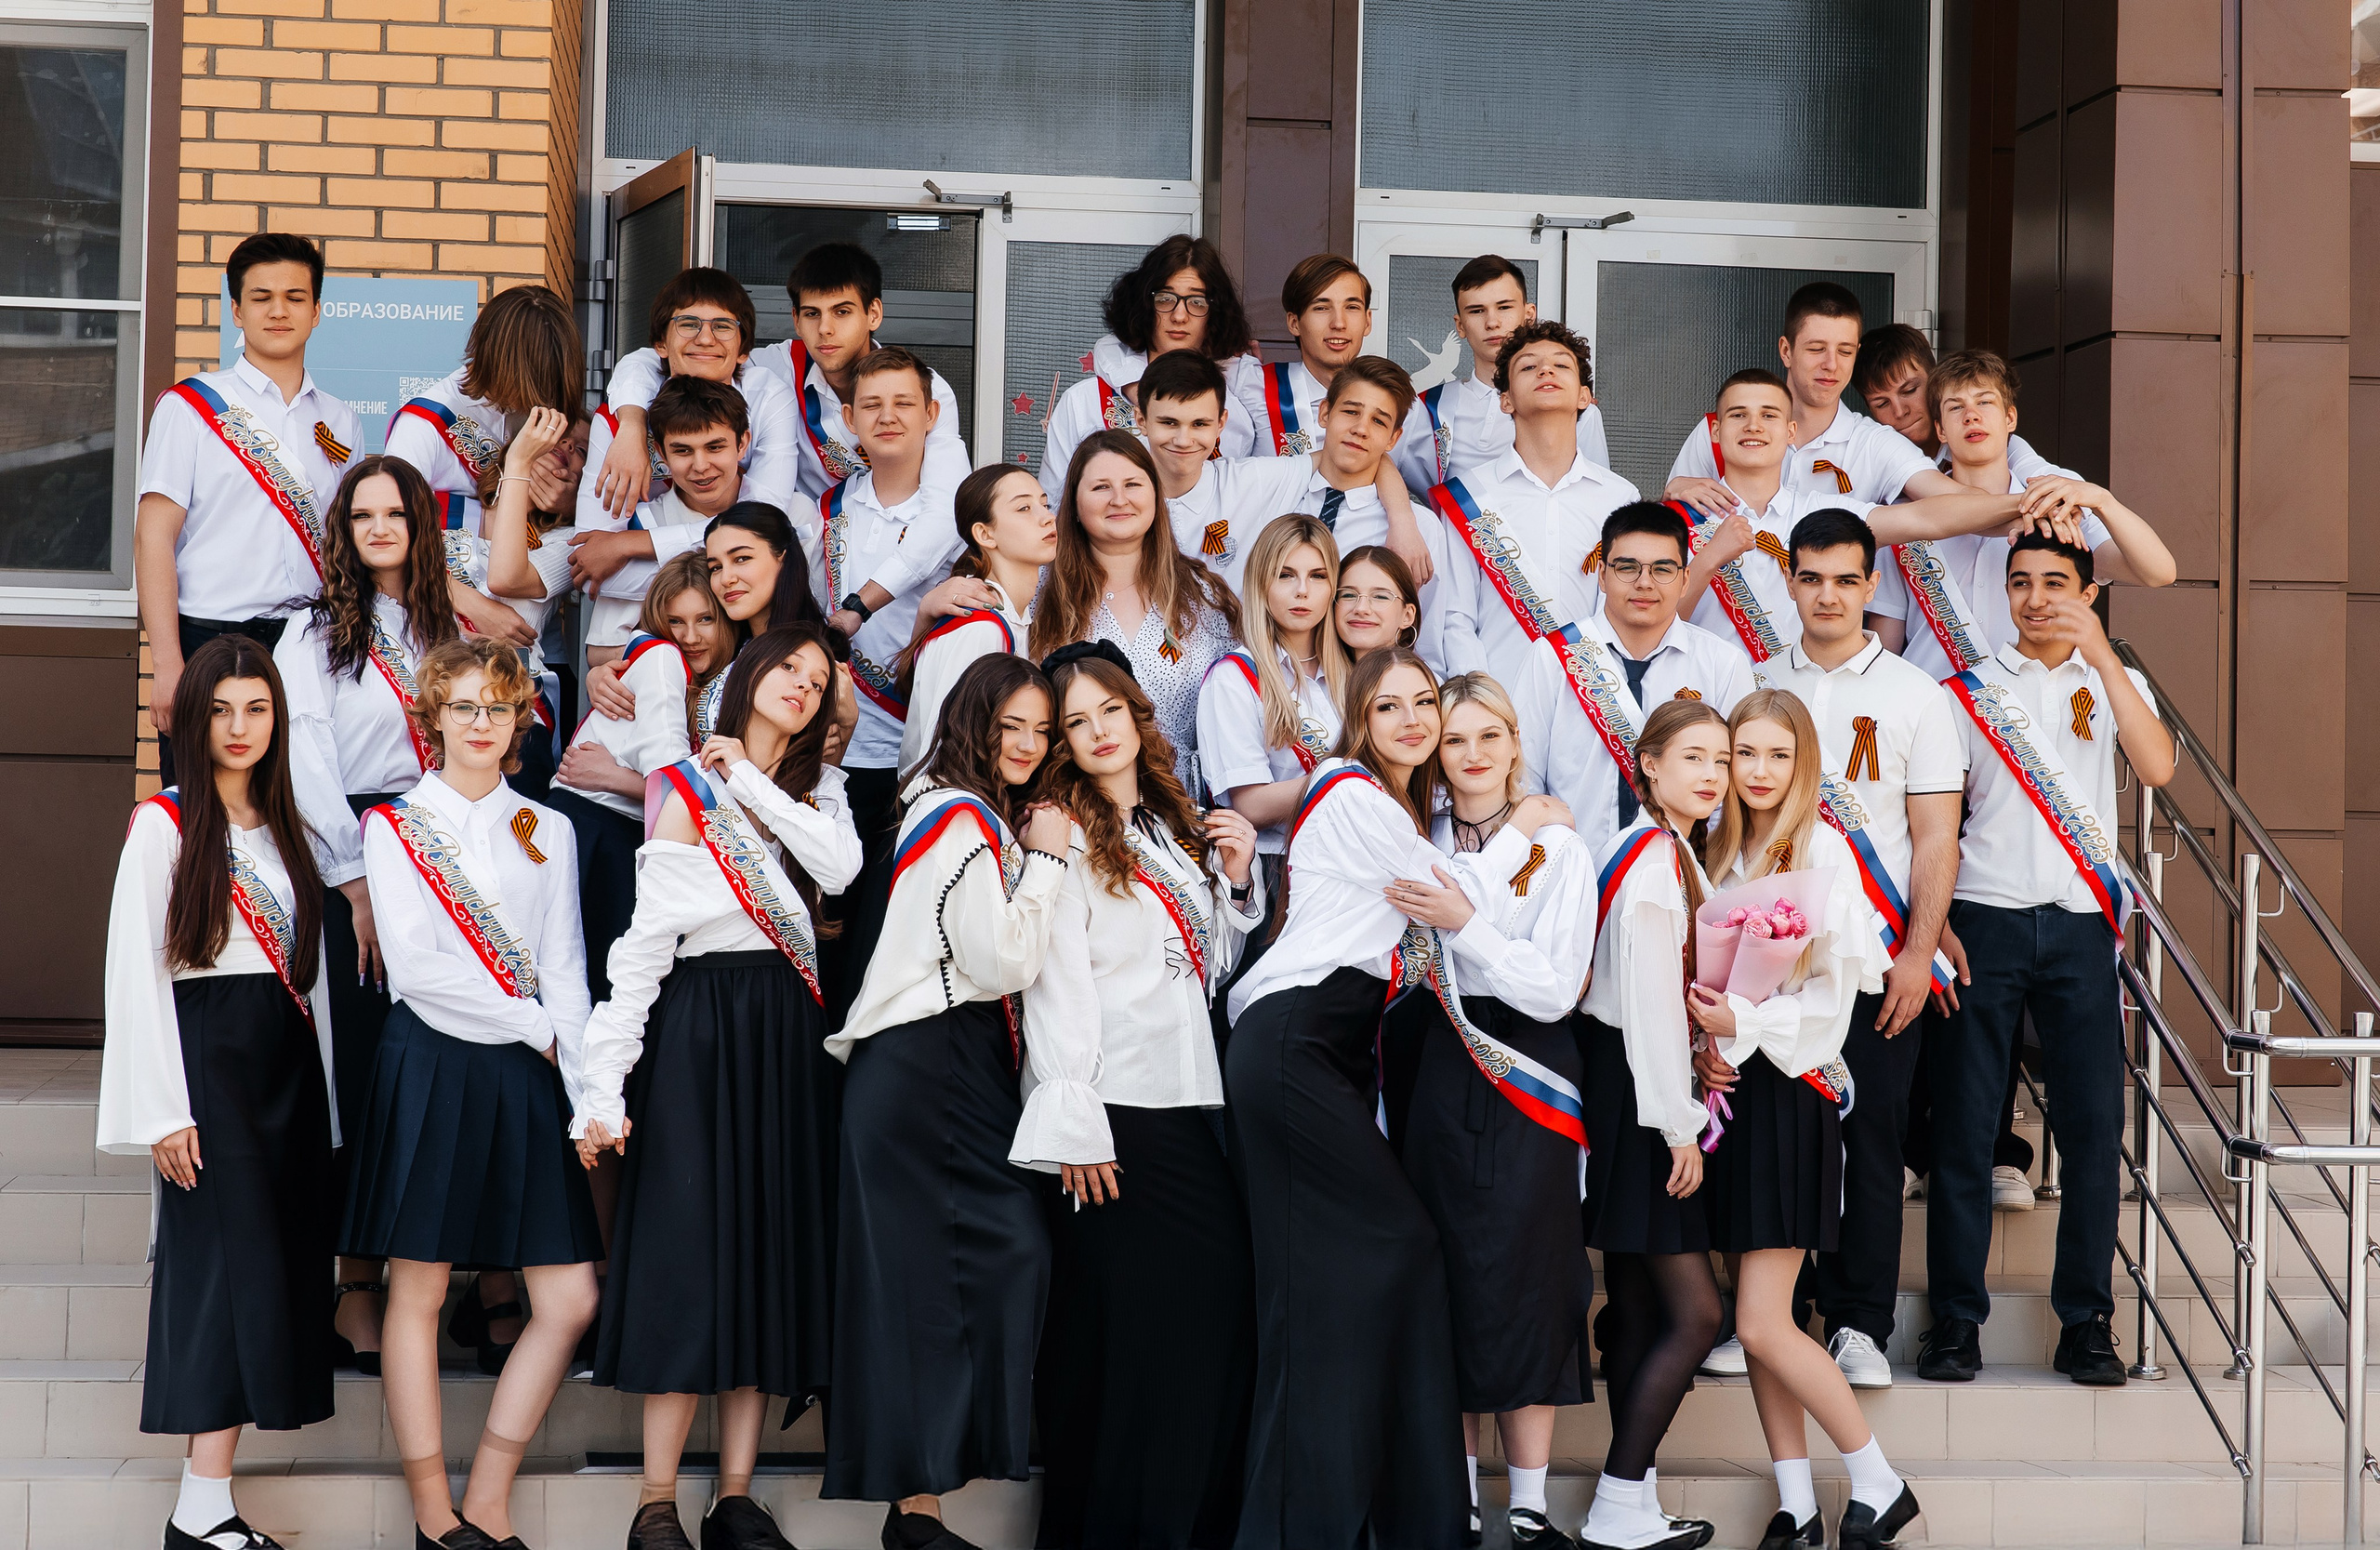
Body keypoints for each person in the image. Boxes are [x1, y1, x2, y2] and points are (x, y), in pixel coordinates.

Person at [575, 624, 864, 1550]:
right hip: (700, 1027)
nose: (802, 684)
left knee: (765, 1254)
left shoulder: (822, 790)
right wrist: (602, 1086)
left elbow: (840, 867)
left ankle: (735, 1496)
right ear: (749, 675)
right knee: (688, 1250)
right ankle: (656, 1499)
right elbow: (641, 953)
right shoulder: (684, 789)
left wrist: (750, 778)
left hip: (786, 1031)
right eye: (788, 667)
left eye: (818, 678)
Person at [344, 635, 602, 1550]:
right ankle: (431, 1510)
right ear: (434, 718)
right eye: (464, 705)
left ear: (519, 717)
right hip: (436, 1062)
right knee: (416, 1290)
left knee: (569, 1297)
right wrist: (537, 1027)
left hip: (530, 1071)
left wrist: (583, 1079)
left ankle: (488, 1497)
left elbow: (566, 965)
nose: (482, 721)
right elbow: (418, 972)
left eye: (498, 705)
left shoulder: (548, 827)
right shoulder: (395, 825)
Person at [1016, 643, 1263, 1550]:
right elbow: (1056, 980)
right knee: (1127, 1342)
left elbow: (1199, 970)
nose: (1097, 732)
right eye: (1076, 722)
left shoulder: (1167, 823)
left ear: (1135, 711)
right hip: (1110, 1114)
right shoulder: (1062, 831)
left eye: (1108, 711)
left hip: (1184, 1102)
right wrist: (1075, 1118)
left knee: (1204, 1321)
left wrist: (1235, 879)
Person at [821, 655, 1071, 1550]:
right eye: (1012, 726)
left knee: (950, 1277)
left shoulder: (965, 812)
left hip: (943, 1066)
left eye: (1041, 730)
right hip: (928, 1064)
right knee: (956, 1272)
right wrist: (1048, 862)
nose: (1028, 744)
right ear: (973, 723)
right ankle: (916, 1509)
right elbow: (1001, 960)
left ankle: (918, 1511)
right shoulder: (961, 815)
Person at [1223, 646, 1470, 1550]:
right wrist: (1536, 828)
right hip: (1293, 1042)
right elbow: (1455, 894)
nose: (1411, 719)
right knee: (1386, 1251)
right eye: (1388, 705)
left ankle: (1373, 1516)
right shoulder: (1352, 791)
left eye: (1424, 702)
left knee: (1342, 1281)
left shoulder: (1389, 807)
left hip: (1318, 1049)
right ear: (1359, 720)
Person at [1920, 530, 2175, 1388]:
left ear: (2089, 593)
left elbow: (2158, 765)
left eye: (2056, 583)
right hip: (1982, 918)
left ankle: (2086, 1323)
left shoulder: (2114, 681)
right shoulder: (1966, 692)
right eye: (2021, 582)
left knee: (2093, 1129)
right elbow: (1937, 820)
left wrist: (2101, 655)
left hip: (2080, 925)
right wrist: (1933, 921)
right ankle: (1955, 1321)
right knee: (1963, 1128)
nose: (2036, 598)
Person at [100, 635, 337, 1550]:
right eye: (221, 709)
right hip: (208, 1063)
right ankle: (198, 1508)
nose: (239, 727)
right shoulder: (163, 823)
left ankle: (209, 1503)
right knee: (218, 1275)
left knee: (271, 1271)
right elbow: (136, 971)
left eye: (257, 708)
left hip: (285, 1065)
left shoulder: (286, 826)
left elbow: (308, 975)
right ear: (192, 720)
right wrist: (164, 1109)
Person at [1735, 509, 1966, 1393]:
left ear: (1872, 584)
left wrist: (1917, 951)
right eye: (1811, 577)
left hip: (1874, 965)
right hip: (1770, 964)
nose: (1827, 595)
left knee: (1869, 1140)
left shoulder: (1916, 696)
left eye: (1845, 579)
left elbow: (1936, 837)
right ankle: (1769, 1318)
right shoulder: (1756, 683)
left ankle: (1860, 1322)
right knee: (1771, 1141)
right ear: (1789, 581)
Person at [1687, 691, 1919, 1550]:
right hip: (1731, 1099)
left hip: (1792, 1094)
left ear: (1804, 763)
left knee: (1759, 1319)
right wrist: (1706, 1048)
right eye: (1744, 752)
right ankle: (1797, 1505)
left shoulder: (1823, 849)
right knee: (1763, 1328)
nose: (1757, 770)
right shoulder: (1714, 845)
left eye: (1777, 755)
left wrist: (1742, 1024)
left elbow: (1832, 1003)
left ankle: (1880, 1481)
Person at [1383, 672, 1593, 1550]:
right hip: (1439, 1063)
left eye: (1489, 736)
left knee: (1532, 1275)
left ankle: (1531, 1506)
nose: (1471, 754)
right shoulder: (1412, 838)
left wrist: (1467, 926)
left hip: (1527, 1068)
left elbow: (1553, 988)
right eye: (1455, 738)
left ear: (1515, 744)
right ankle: (1459, 1498)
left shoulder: (1560, 847)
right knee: (1448, 1279)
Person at [271, 453, 460, 1375]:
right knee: (359, 1066)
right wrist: (355, 882)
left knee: (437, 1066)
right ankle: (353, 1282)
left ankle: (455, 1275)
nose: (380, 528)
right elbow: (303, 761)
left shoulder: (451, 624)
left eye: (397, 513)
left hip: (445, 854)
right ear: (343, 531)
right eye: (362, 515)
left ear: (422, 525)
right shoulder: (309, 635)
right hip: (347, 854)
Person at [1572, 699, 1728, 1550]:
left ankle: (1634, 1503)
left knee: (1636, 1305)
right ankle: (1615, 1502)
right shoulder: (1653, 861)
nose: (1712, 774)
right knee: (1697, 1312)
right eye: (1693, 756)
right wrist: (1678, 1123)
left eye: (1721, 759)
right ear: (1650, 765)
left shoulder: (1659, 849)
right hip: (1638, 1092)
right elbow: (1649, 1009)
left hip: (1622, 1080)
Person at [136, 232, 363, 788]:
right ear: (236, 311)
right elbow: (152, 538)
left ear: (316, 312)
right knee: (204, 810)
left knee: (299, 808)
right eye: (261, 298)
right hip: (209, 641)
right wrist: (167, 663)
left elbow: (351, 546)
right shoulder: (190, 407)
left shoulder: (342, 421)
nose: (278, 311)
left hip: (310, 645)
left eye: (295, 297)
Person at [1674, 368, 2032, 668]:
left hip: (1797, 711)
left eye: (1768, 415)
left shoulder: (1819, 512)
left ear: (1790, 431)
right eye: (1738, 415)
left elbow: (1930, 519)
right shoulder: (1678, 521)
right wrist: (1709, 559)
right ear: (1716, 432)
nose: (1754, 426)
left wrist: (2031, 504)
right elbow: (1654, 628)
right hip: (1706, 708)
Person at [1870, 351, 2177, 680]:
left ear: (2010, 419)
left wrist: (2104, 501)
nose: (1971, 416)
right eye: (1955, 407)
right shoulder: (1906, 519)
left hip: (2026, 708)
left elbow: (2158, 573)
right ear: (1941, 430)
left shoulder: (2056, 508)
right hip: (1933, 703)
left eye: (1984, 402)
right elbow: (1885, 649)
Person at [549, 551, 749, 1005]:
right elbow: (671, 779)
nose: (690, 636)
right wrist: (618, 780)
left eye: (705, 619)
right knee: (602, 988)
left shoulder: (698, 672)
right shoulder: (662, 657)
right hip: (600, 829)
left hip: (609, 826)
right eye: (676, 621)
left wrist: (615, 776)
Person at [1510, 503, 1755, 856]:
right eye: (1627, 567)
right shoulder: (1552, 657)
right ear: (1602, 575)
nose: (1644, 582)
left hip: (1682, 869)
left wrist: (1704, 869)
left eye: (1663, 569)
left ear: (1685, 579)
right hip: (1570, 867)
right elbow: (1523, 777)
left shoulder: (1723, 664)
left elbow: (1731, 792)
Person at [1029, 430, 1241, 792]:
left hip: (1187, 806)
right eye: (1101, 487)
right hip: (1082, 805)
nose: (1119, 499)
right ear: (1073, 504)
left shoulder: (1202, 594)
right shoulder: (1039, 593)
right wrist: (929, 609)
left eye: (1132, 484)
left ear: (1156, 496)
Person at [1427, 320, 1639, 681]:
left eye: (1561, 364)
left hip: (1592, 698)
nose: (1545, 371)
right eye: (1528, 367)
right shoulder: (1470, 495)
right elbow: (1455, 617)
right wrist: (1481, 698)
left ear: (1583, 397)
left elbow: (1625, 613)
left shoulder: (1620, 497)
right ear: (1505, 400)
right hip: (1498, 699)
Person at [1234, 253, 1436, 580]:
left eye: (1352, 307)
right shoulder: (1253, 387)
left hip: (1359, 581)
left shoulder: (1402, 410)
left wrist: (1405, 521)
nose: (1339, 323)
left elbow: (1437, 493)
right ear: (1294, 322)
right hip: (1269, 573)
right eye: (1321, 307)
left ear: (1368, 320)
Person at [737, 242, 970, 500]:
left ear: (874, 314)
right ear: (796, 321)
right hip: (808, 523)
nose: (825, 329)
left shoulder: (925, 389)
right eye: (812, 314)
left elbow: (945, 495)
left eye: (842, 311)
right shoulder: (776, 366)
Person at [1195, 513, 1347, 902]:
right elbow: (1250, 805)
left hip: (1355, 862)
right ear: (1262, 582)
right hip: (1280, 871)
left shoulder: (1353, 672)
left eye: (1318, 576)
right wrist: (1349, 776)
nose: (1302, 591)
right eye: (1285, 575)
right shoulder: (1234, 677)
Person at [1039, 234, 1263, 496]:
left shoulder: (1240, 404)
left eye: (1197, 302)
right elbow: (1053, 503)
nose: (1179, 316)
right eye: (1165, 299)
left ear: (1215, 312)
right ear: (1145, 304)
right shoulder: (1084, 402)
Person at [442, 405, 589, 801]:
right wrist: (474, 605)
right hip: (432, 697)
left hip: (516, 707)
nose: (566, 448)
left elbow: (505, 578)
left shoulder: (568, 541)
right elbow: (386, 570)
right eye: (556, 434)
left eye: (581, 450)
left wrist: (520, 466)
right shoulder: (443, 508)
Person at [582, 267, 797, 525]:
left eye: (722, 326)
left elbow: (764, 517)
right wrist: (631, 429)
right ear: (661, 344)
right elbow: (593, 538)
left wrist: (643, 542)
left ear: (743, 351)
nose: (705, 339)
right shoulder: (620, 419)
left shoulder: (768, 398)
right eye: (688, 324)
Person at [1392, 253, 1610, 492]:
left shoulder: (1574, 410)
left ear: (1529, 315)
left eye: (1504, 307)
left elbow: (1597, 494)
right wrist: (1401, 508)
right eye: (1477, 311)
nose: (1492, 322)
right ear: (1460, 325)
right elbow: (1374, 465)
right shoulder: (1426, 409)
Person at [575, 375, 758, 655]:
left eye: (714, 447)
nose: (700, 466)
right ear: (660, 452)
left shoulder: (794, 513)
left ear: (742, 443)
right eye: (683, 451)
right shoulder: (639, 522)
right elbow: (603, 651)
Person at [895, 464, 1056, 774]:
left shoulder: (1011, 618)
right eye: (1024, 508)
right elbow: (945, 751)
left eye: (1045, 504)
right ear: (985, 534)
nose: (1048, 517)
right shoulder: (981, 628)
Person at [386, 282, 581, 533]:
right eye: (537, 380)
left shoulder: (538, 408)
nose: (544, 395)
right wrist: (484, 520)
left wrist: (570, 505)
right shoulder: (421, 426)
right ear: (501, 361)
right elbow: (393, 519)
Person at [1334, 544, 1421, 662]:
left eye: (1380, 597)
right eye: (1349, 595)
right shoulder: (1319, 673)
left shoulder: (1412, 674)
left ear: (1407, 616)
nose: (1361, 608)